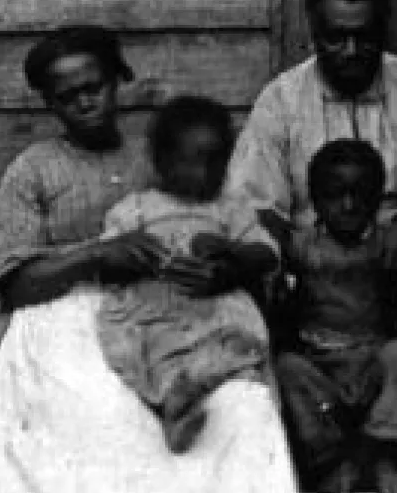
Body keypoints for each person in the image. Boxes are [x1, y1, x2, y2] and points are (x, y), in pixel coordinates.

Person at [0, 26, 297, 493]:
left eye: (94, 88)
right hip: (64, 316)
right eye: (66, 96)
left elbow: (225, 223)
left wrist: (223, 267)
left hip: (173, 307)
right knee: (99, 407)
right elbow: (14, 284)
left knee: (237, 401)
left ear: (118, 81)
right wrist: (94, 255)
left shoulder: (162, 153)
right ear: (50, 103)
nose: (84, 103)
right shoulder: (32, 170)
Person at [228, 0, 397, 493]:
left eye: (363, 37)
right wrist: (280, 257)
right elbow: (257, 201)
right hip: (312, 259)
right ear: (314, 34)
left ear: (383, 30)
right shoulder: (281, 100)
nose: (349, 51)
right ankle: (305, 457)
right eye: (335, 38)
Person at [95, 96, 278, 452]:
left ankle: (194, 385)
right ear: (163, 162)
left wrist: (231, 251)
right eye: (193, 162)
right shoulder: (136, 209)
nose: (206, 174)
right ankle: (174, 408)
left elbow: (266, 254)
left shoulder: (230, 209)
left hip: (216, 305)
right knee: (157, 350)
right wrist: (136, 254)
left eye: (217, 163)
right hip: (157, 305)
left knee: (241, 347)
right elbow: (108, 259)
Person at [269, 140, 397, 493]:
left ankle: (383, 459)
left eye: (360, 194)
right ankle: (336, 463)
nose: (349, 206)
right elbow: (265, 227)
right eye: (335, 195)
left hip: (371, 360)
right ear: (316, 200)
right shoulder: (303, 246)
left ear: (378, 199)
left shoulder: (389, 243)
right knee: (288, 368)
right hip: (322, 363)